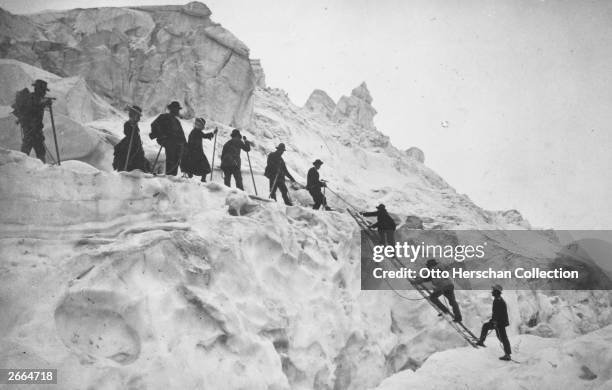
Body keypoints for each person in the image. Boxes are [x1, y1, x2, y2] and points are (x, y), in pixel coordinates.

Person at [12, 79, 53, 162]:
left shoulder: (35, 98)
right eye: (44, 90)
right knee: (30, 152)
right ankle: (22, 167)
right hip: (31, 131)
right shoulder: (32, 99)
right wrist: (44, 103)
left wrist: (44, 103)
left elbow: (37, 106)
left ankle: (40, 168)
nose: (45, 92)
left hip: (34, 131)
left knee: (35, 151)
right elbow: (33, 107)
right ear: (39, 89)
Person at [150, 101, 186, 175]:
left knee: (177, 158)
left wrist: (185, 145)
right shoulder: (164, 117)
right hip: (167, 141)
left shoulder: (177, 121)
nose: (177, 111)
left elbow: (181, 135)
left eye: (178, 109)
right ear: (171, 109)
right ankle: (169, 175)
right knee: (171, 157)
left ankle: (173, 176)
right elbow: (154, 125)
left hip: (177, 144)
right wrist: (161, 134)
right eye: (176, 109)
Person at [476, 284, 512, 361]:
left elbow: (497, 313)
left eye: (493, 290)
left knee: (503, 338)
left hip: (499, 323)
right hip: (499, 322)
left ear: (496, 292)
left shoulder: (498, 301)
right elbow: (496, 313)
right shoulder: (498, 299)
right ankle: (481, 341)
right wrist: (493, 321)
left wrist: (494, 322)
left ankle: (508, 354)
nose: (492, 292)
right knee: (487, 327)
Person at [113, 105, 150, 172]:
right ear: (133, 114)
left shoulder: (135, 124)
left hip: (135, 143)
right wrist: (132, 126)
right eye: (137, 115)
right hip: (129, 143)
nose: (138, 118)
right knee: (126, 157)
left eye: (138, 116)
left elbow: (136, 136)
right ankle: (124, 170)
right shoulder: (128, 123)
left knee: (143, 161)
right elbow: (127, 133)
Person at [181, 118, 217, 182]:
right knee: (204, 166)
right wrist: (213, 133)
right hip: (197, 152)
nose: (198, 126)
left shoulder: (195, 131)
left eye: (199, 125)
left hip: (193, 152)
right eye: (198, 124)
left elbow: (203, 135)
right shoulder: (196, 132)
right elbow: (205, 135)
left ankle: (191, 176)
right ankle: (202, 179)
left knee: (193, 165)